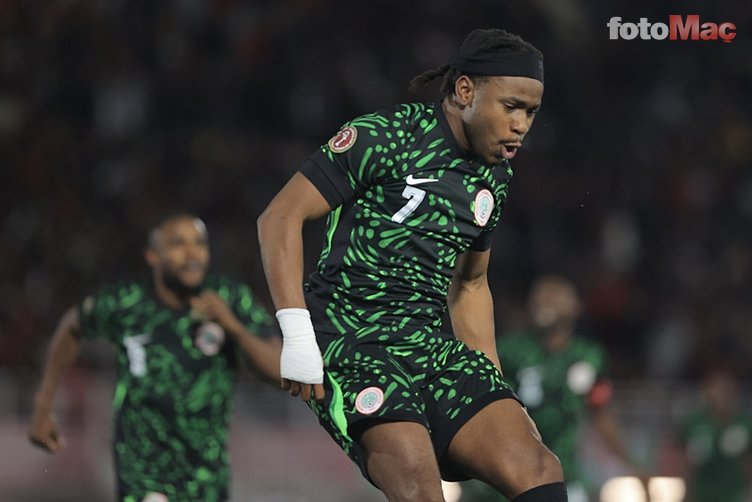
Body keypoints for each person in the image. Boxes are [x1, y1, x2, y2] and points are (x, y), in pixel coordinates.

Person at [258, 28, 569, 501]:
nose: (521, 124)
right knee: (420, 488)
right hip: (352, 342)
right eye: (511, 107)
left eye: (531, 112)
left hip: (428, 346)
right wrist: (297, 333)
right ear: (464, 91)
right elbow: (280, 217)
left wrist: (494, 388)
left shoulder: (495, 177)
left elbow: (470, 285)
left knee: (539, 468)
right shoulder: (384, 135)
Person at [29, 212, 281, 502]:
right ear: (153, 255)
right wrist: (43, 403)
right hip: (142, 468)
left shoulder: (230, 298)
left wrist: (233, 326)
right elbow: (72, 325)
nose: (192, 253)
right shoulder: (128, 302)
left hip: (207, 475)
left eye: (199, 243)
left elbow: (278, 371)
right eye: (178, 244)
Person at [461, 275, 648, 502]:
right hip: (513, 472)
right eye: (539, 297)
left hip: (565, 474)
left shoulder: (588, 356)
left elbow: (601, 414)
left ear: (576, 307)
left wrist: (632, 464)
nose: (544, 302)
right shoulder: (509, 351)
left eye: (554, 296)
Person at [675, 367, 752, 502]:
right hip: (701, 492)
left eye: (726, 389)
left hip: (734, 494)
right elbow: (682, 459)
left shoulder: (745, 423)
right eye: (717, 389)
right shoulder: (695, 422)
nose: (721, 394)